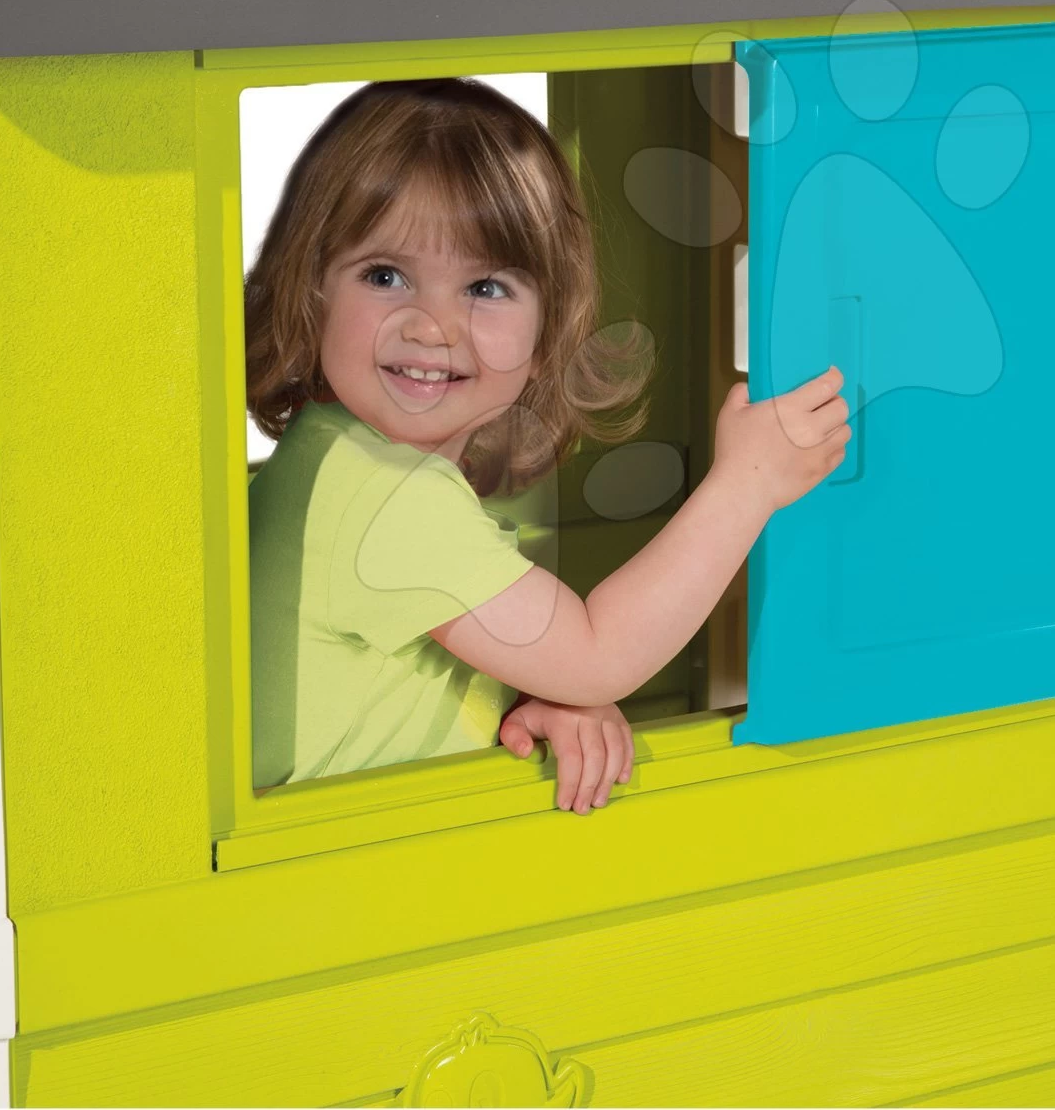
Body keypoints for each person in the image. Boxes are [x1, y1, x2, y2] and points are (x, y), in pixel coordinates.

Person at [245, 78, 849, 813]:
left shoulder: (325, 454)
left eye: (485, 288)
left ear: (546, 328)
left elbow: (440, 655)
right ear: (311, 292)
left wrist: (545, 688)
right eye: (385, 275)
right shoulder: (386, 495)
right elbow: (599, 655)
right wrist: (746, 484)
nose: (432, 326)